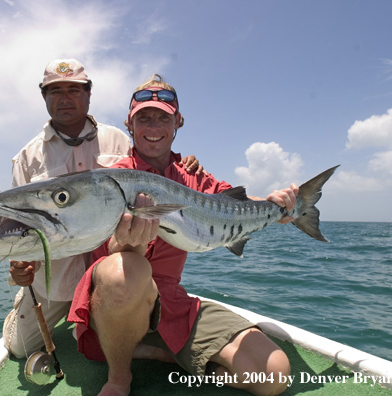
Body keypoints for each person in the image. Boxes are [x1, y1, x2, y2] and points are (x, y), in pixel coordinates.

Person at [68, 74, 297, 396]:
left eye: (163, 117)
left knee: (272, 375)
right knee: (124, 272)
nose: (153, 126)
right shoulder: (111, 178)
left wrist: (276, 207)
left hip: (171, 301)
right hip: (114, 301)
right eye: (143, 118)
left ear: (178, 123)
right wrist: (127, 242)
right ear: (129, 125)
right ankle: (119, 378)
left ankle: (160, 352)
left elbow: (235, 202)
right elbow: (102, 257)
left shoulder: (193, 176)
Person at [3, 60, 202, 359]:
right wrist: (20, 267)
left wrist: (184, 164)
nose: (65, 98)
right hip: (55, 283)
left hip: (111, 273)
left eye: (74, 89)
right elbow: (22, 227)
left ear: (89, 95)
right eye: (55, 91)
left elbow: (153, 170)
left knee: (121, 315)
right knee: (19, 349)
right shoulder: (26, 158)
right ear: (44, 97)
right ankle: (24, 308)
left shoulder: (119, 140)